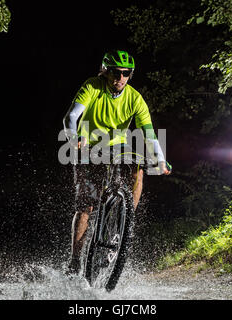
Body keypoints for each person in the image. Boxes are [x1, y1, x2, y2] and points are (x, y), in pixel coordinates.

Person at [62, 49, 171, 274]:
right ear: (105, 71)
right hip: (89, 144)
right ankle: (75, 260)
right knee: (86, 207)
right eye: (115, 72)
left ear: (130, 75)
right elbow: (71, 117)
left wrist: (161, 160)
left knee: (139, 168)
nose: (120, 78)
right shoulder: (92, 86)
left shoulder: (134, 98)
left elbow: (149, 133)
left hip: (117, 146)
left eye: (125, 73)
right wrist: (73, 138)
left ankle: (125, 218)